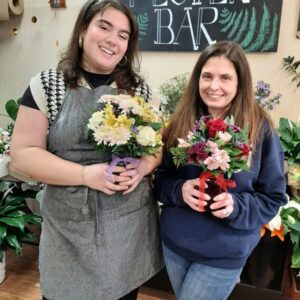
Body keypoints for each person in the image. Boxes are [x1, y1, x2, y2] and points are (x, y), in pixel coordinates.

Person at [10, 1, 163, 299]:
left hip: (127, 231)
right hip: (68, 233)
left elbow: (155, 148)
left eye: (123, 35)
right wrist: (84, 174)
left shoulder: (140, 92)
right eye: (104, 27)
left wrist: (142, 167)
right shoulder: (48, 85)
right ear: (83, 30)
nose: (112, 40)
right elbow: (24, 152)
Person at [153, 41, 287, 300]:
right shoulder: (181, 123)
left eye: (225, 77)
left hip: (223, 253)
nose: (214, 86)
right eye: (207, 76)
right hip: (175, 245)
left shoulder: (260, 131)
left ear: (240, 82)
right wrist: (180, 190)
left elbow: (272, 197)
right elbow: (161, 179)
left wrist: (235, 206)